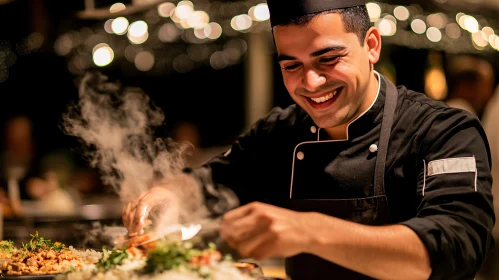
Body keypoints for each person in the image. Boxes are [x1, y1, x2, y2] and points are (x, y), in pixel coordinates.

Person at [122, 0, 494, 279]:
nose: (311, 83)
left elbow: (456, 244)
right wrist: (169, 192)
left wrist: (308, 231)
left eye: (328, 59)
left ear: (372, 45)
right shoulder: (280, 132)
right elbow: (213, 181)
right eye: (291, 66)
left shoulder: (443, 130)